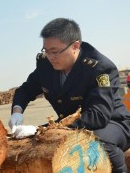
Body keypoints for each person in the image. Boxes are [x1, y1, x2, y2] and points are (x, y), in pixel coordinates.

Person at [8, 18, 130, 173]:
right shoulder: (46, 64)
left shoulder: (99, 68)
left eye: (55, 51)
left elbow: (98, 116)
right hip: (71, 124)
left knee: (97, 142)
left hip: (112, 123)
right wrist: (16, 112)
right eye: (46, 50)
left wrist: (43, 129)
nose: (50, 56)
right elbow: (26, 90)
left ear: (75, 46)